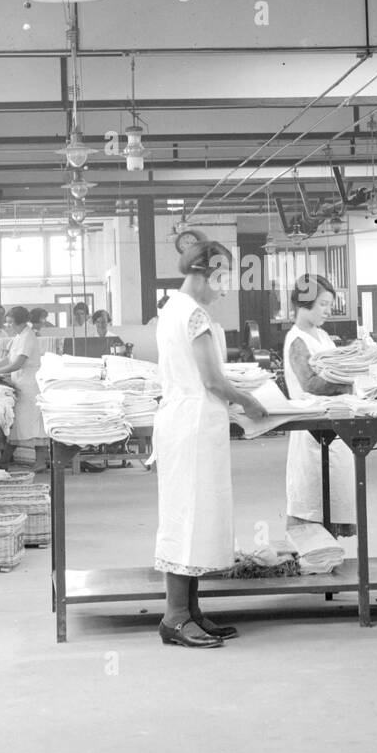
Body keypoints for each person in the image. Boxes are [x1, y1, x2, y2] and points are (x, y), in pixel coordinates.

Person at [154, 240, 266, 648]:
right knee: (188, 519)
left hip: (186, 422)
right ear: (203, 271)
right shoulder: (194, 314)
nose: (225, 288)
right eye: (222, 278)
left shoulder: (171, 309)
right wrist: (250, 401)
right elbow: (213, 380)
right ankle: (175, 617)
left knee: (194, 517)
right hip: (193, 424)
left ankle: (192, 610)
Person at [283, 275, 357, 539]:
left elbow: (335, 370)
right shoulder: (297, 340)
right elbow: (310, 383)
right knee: (314, 504)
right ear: (304, 304)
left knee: (333, 500)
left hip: (333, 423)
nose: (328, 310)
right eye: (323, 304)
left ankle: (328, 557)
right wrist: (349, 383)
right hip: (312, 429)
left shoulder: (322, 335)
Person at [0, 306, 49, 473]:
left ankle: (40, 461)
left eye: (10, 322)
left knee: (33, 425)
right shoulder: (19, 336)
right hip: (20, 383)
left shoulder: (28, 336)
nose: (8, 325)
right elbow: (8, 359)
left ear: (20, 323)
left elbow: (18, 363)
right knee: (15, 424)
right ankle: (4, 460)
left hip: (30, 385)